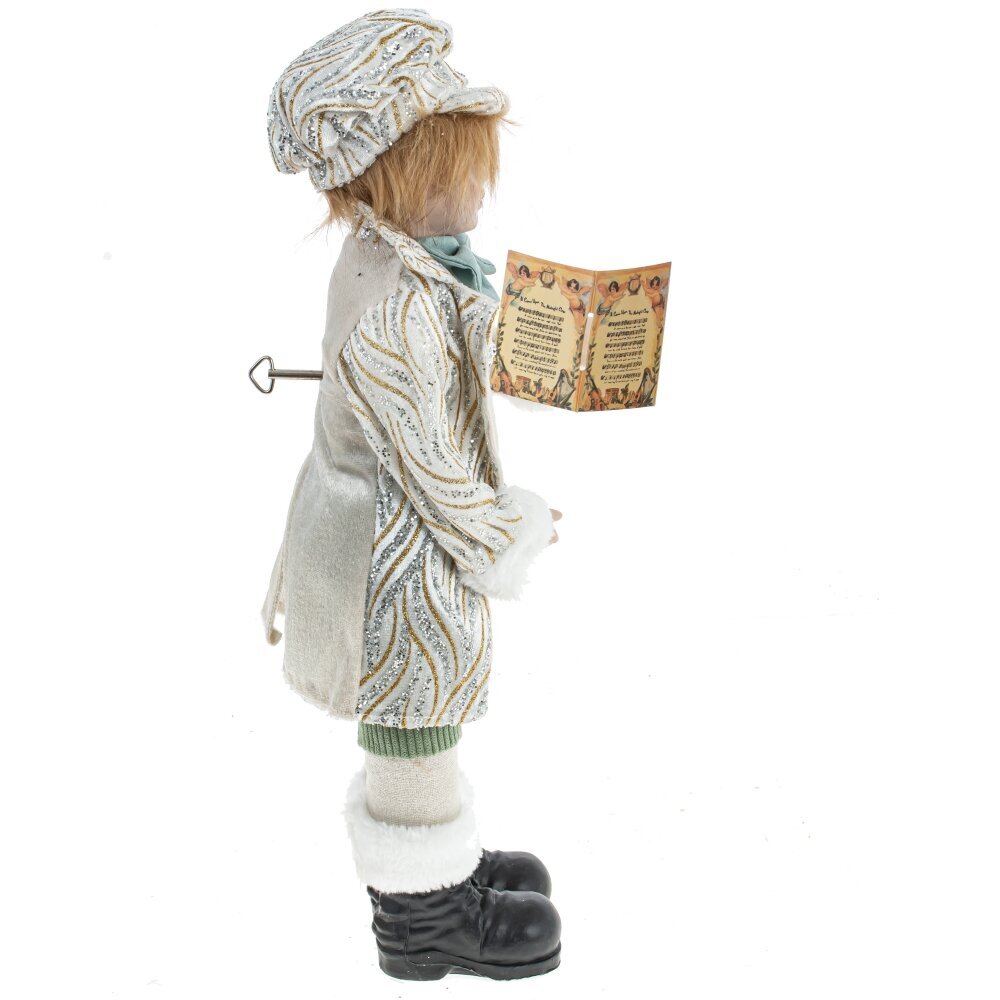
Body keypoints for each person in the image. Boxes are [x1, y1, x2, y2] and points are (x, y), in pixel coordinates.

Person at [261, 9, 563, 982]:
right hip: (391, 553)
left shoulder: (401, 261)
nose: (481, 187)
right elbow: (430, 464)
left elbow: (458, 334)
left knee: (423, 705)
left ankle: (441, 867)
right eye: (460, 169)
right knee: (413, 709)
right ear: (400, 178)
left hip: (391, 537)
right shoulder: (392, 308)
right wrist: (505, 530)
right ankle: (423, 916)